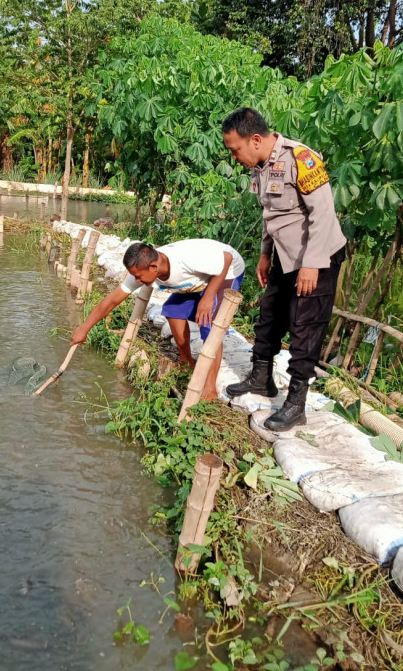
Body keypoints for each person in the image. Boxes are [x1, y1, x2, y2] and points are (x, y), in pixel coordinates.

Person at [221, 108, 346, 430]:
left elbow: (323, 214)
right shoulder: (261, 166)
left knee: (305, 326)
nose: (234, 157)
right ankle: (261, 379)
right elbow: (270, 214)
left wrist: (312, 265)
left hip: (317, 258)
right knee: (270, 315)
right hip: (285, 255)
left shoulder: (301, 159)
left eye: (235, 149)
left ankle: (296, 404)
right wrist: (265, 254)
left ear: (256, 140)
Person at [71, 238, 245, 401]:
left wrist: (208, 297)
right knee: (172, 310)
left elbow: (226, 258)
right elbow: (112, 300)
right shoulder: (145, 267)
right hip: (199, 279)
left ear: (153, 267)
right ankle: (186, 362)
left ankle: (210, 387)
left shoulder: (186, 259)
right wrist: (84, 329)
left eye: (139, 277)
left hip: (226, 270)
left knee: (209, 324)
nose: (137, 281)